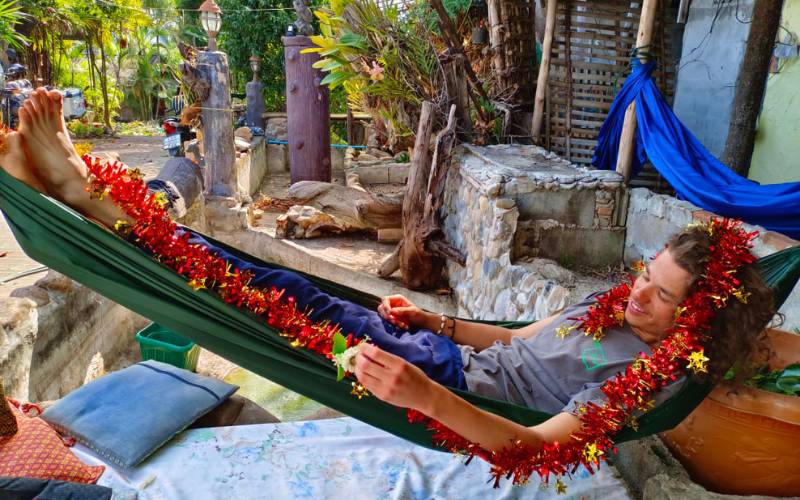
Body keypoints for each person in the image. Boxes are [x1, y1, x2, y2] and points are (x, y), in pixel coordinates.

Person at [0, 88, 777, 455]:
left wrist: (424, 393)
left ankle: (80, 190)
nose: (635, 289)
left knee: (246, 294)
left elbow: (535, 449)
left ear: (696, 324)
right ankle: (83, 191)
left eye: (659, 295)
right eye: (645, 272)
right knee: (250, 271)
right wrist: (436, 319)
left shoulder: (645, 378)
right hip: (438, 350)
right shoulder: (627, 308)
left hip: (438, 389)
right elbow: (520, 331)